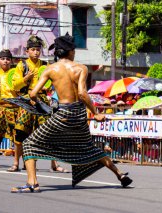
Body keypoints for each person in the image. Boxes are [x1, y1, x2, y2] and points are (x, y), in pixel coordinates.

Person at [11, 33, 132, 193]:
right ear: (70, 51)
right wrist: (95, 113)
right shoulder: (81, 68)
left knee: (29, 144)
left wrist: (39, 105)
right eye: (73, 50)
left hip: (63, 114)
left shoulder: (50, 69)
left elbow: (33, 94)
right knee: (88, 147)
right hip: (79, 113)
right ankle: (120, 174)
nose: (74, 52)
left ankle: (32, 183)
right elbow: (82, 94)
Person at [12, 36, 67, 173]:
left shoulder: (45, 65)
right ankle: (15, 163)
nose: (36, 52)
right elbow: (15, 86)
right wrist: (26, 79)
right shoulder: (21, 65)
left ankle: (54, 165)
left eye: (38, 49)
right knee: (20, 133)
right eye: (33, 49)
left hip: (41, 100)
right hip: (26, 100)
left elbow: (51, 84)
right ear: (27, 51)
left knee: (48, 133)